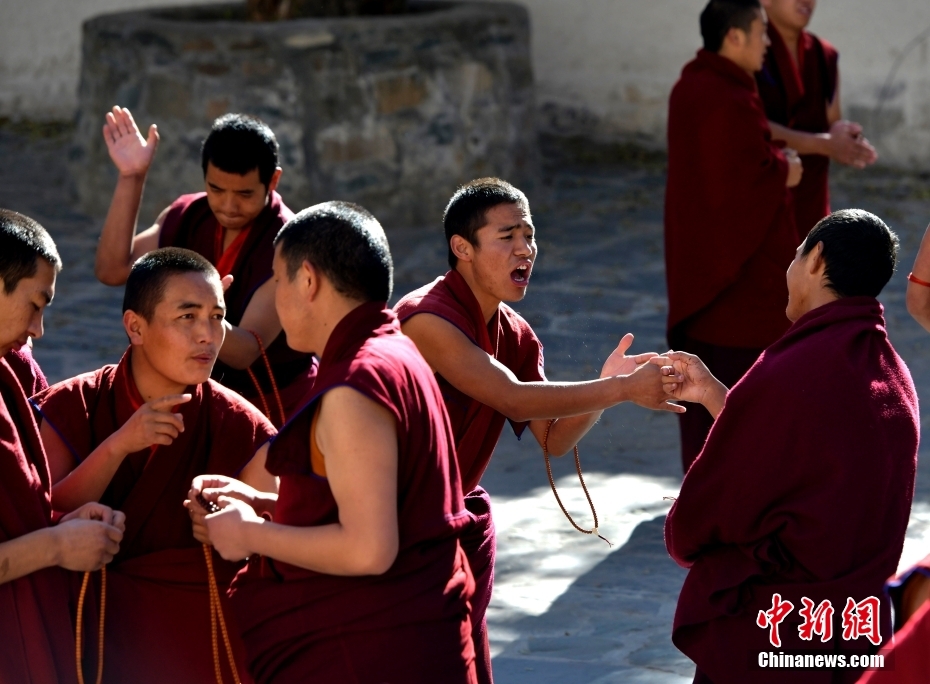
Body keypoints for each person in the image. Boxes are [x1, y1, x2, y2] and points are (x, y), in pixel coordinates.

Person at [394, 177, 683, 683]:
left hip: (451, 523)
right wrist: (619, 389)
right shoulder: (426, 319)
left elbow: (554, 437)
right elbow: (511, 397)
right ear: (462, 247)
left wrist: (609, 387)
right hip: (396, 520)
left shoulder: (514, 334)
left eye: (529, 235)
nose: (525, 249)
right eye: (506, 237)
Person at [189, 201, 478, 683]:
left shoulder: (355, 385)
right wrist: (266, 503)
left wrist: (248, 534)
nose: (275, 299)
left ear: (308, 280)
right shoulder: (394, 351)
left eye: (277, 281)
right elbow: (376, 498)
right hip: (412, 635)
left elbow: (369, 548)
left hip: (375, 654)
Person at [659, 209, 916, 683]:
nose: (791, 267)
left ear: (816, 260)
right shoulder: (892, 374)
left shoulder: (793, 369)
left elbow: (729, 493)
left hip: (777, 628)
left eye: (797, 254)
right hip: (850, 628)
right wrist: (714, 395)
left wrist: (684, 527)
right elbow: (794, 450)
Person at [33, 248, 277, 684]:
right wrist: (118, 446)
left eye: (217, 317)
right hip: (85, 640)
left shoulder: (239, 424)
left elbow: (280, 539)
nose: (207, 336)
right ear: (136, 327)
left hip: (190, 649)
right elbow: (37, 513)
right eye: (187, 317)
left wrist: (239, 530)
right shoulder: (75, 404)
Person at [94, 107, 315, 424]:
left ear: (273, 180)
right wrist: (132, 177)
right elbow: (112, 270)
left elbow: (246, 351)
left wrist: (206, 313)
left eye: (244, 194)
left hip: (267, 403)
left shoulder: (288, 242)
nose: (228, 206)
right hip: (189, 390)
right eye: (216, 189)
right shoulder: (189, 214)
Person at [665, 0, 803, 471]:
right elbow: (738, 189)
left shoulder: (690, 86)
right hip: (737, 291)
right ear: (734, 36)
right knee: (742, 412)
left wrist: (774, 162)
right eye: (761, 32)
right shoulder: (726, 97)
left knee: (712, 416)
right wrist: (784, 170)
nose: (768, 42)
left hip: (702, 276)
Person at [0, 208, 125, 683]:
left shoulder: (9, 373)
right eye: (35, 304)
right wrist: (54, 546)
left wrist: (60, 525)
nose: (38, 330)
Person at [758, 0, 878, 239]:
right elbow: (749, 125)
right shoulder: (751, 50)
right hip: (761, 194)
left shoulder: (824, 54)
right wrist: (824, 144)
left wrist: (845, 138)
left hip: (810, 197)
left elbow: (832, 120)